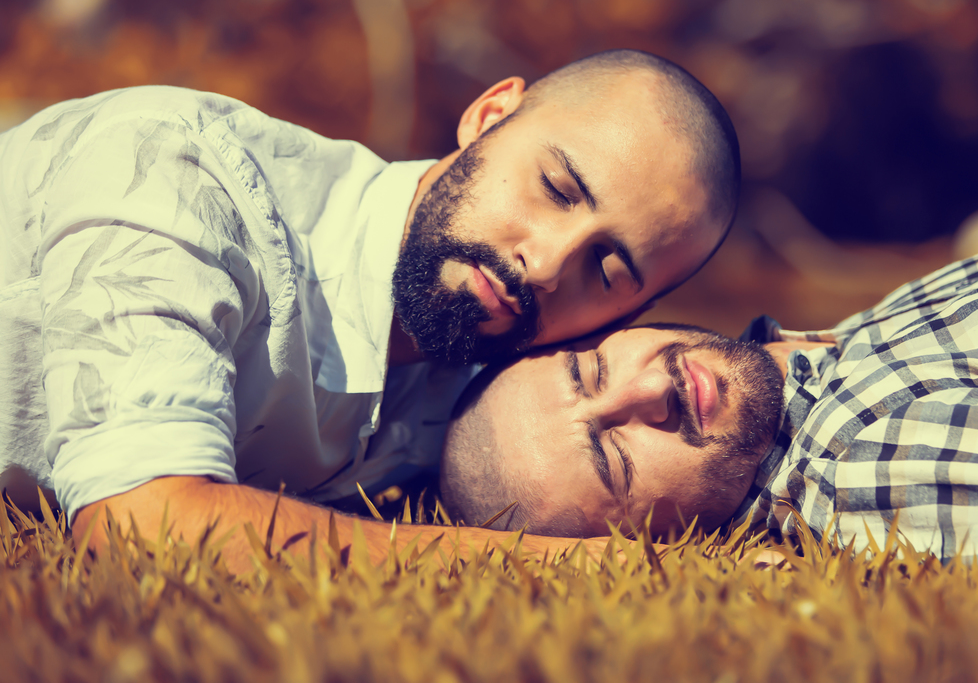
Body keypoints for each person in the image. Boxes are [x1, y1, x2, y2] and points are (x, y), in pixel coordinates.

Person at [0, 49, 740, 569]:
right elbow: (144, 527)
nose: (545, 266)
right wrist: (568, 566)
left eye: (606, 269)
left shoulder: (491, 374)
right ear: (488, 116)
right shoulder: (179, 175)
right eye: (555, 187)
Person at [441, 210, 978, 565]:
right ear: (652, 541)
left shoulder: (842, 349)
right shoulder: (863, 465)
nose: (647, 396)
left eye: (592, 370)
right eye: (617, 460)